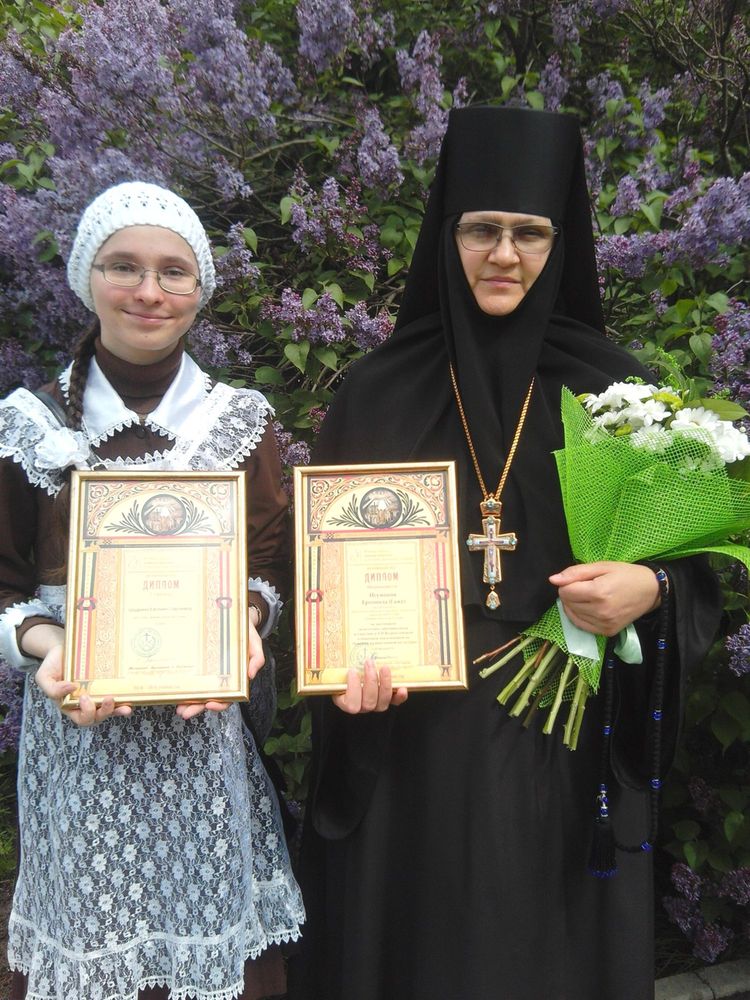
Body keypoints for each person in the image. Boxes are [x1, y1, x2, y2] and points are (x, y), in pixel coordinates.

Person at [288, 108, 722, 1000]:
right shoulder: (379, 390)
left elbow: (692, 572)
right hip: (412, 755)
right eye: (481, 230)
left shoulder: (618, 393)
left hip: (564, 753)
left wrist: (649, 587)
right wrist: (338, 671)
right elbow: (319, 578)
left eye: (530, 233)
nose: (503, 255)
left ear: (561, 245)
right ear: (447, 236)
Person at [0, 182, 304, 1000]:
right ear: (86, 278)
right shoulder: (28, 425)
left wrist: (245, 624)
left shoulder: (238, 421)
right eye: (123, 267)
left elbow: (267, 566)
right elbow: (3, 587)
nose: (148, 290)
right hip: (80, 740)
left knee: (216, 957)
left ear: (199, 290)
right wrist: (54, 646)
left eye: (174, 272)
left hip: (203, 749)